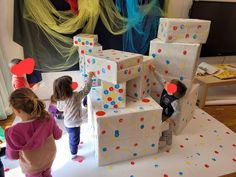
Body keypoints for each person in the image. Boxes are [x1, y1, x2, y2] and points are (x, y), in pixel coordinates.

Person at [5, 88, 62, 177]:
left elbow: (12, 156)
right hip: (49, 159)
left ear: (18, 110)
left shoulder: (13, 132)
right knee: (47, 174)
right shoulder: (48, 118)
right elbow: (58, 135)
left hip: (32, 167)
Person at [53, 72, 94, 161]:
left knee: (74, 136)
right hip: (74, 123)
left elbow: (60, 108)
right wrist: (89, 78)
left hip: (68, 122)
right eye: (71, 84)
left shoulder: (60, 98)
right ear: (68, 88)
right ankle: (73, 155)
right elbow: (86, 90)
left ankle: (76, 144)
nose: (73, 84)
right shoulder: (75, 96)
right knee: (73, 139)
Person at [151, 65, 187, 150]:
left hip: (168, 118)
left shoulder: (174, 101)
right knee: (161, 127)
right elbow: (161, 79)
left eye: (171, 86)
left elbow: (178, 111)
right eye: (169, 84)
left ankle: (169, 144)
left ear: (174, 93)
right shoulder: (167, 87)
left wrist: (171, 119)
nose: (167, 85)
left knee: (168, 131)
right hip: (162, 114)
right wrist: (154, 71)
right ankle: (162, 139)